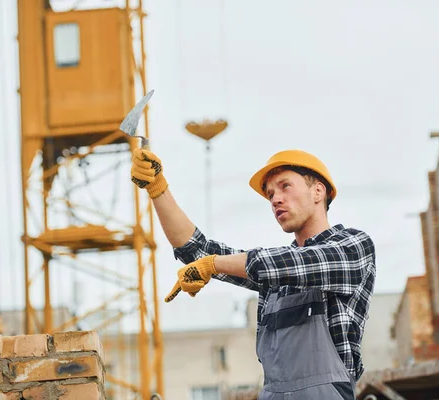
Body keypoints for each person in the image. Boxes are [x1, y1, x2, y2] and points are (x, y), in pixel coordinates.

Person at [131, 148, 376, 399]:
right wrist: (158, 189)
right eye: (270, 194)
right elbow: (198, 252)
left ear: (318, 191)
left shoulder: (354, 247)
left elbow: (289, 264)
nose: (275, 199)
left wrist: (213, 264)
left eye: (285, 186)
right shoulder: (274, 277)